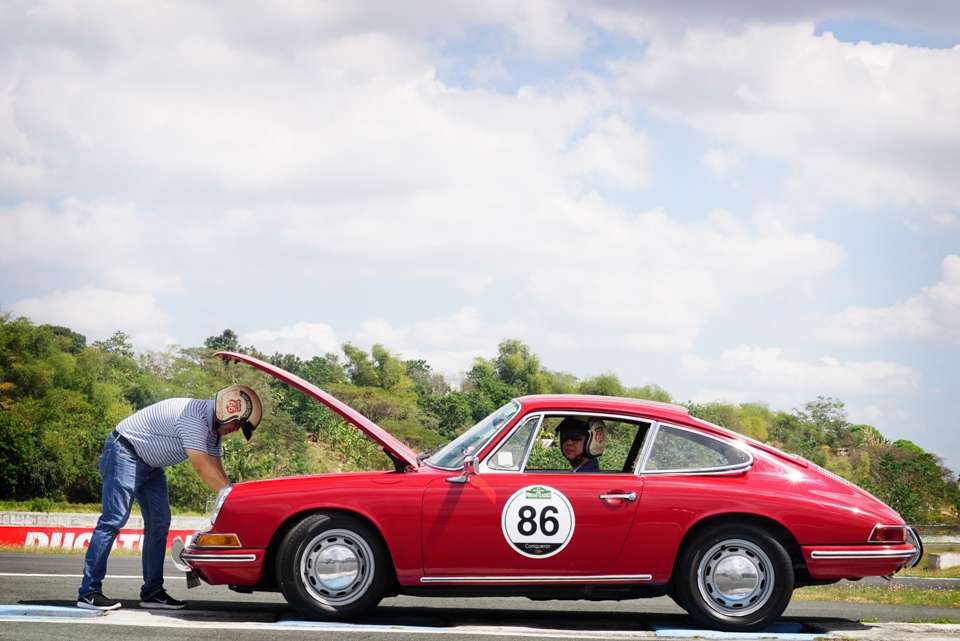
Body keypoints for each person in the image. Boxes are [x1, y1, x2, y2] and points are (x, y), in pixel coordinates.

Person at [76, 385, 262, 611]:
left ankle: (152, 592)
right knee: (113, 520)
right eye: (237, 424)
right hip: (124, 452)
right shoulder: (194, 418)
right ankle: (88, 593)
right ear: (225, 411)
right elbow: (203, 468)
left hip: (151, 465)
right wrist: (236, 501)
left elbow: (217, 470)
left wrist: (234, 495)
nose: (235, 430)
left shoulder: (213, 431)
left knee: (159, 523)